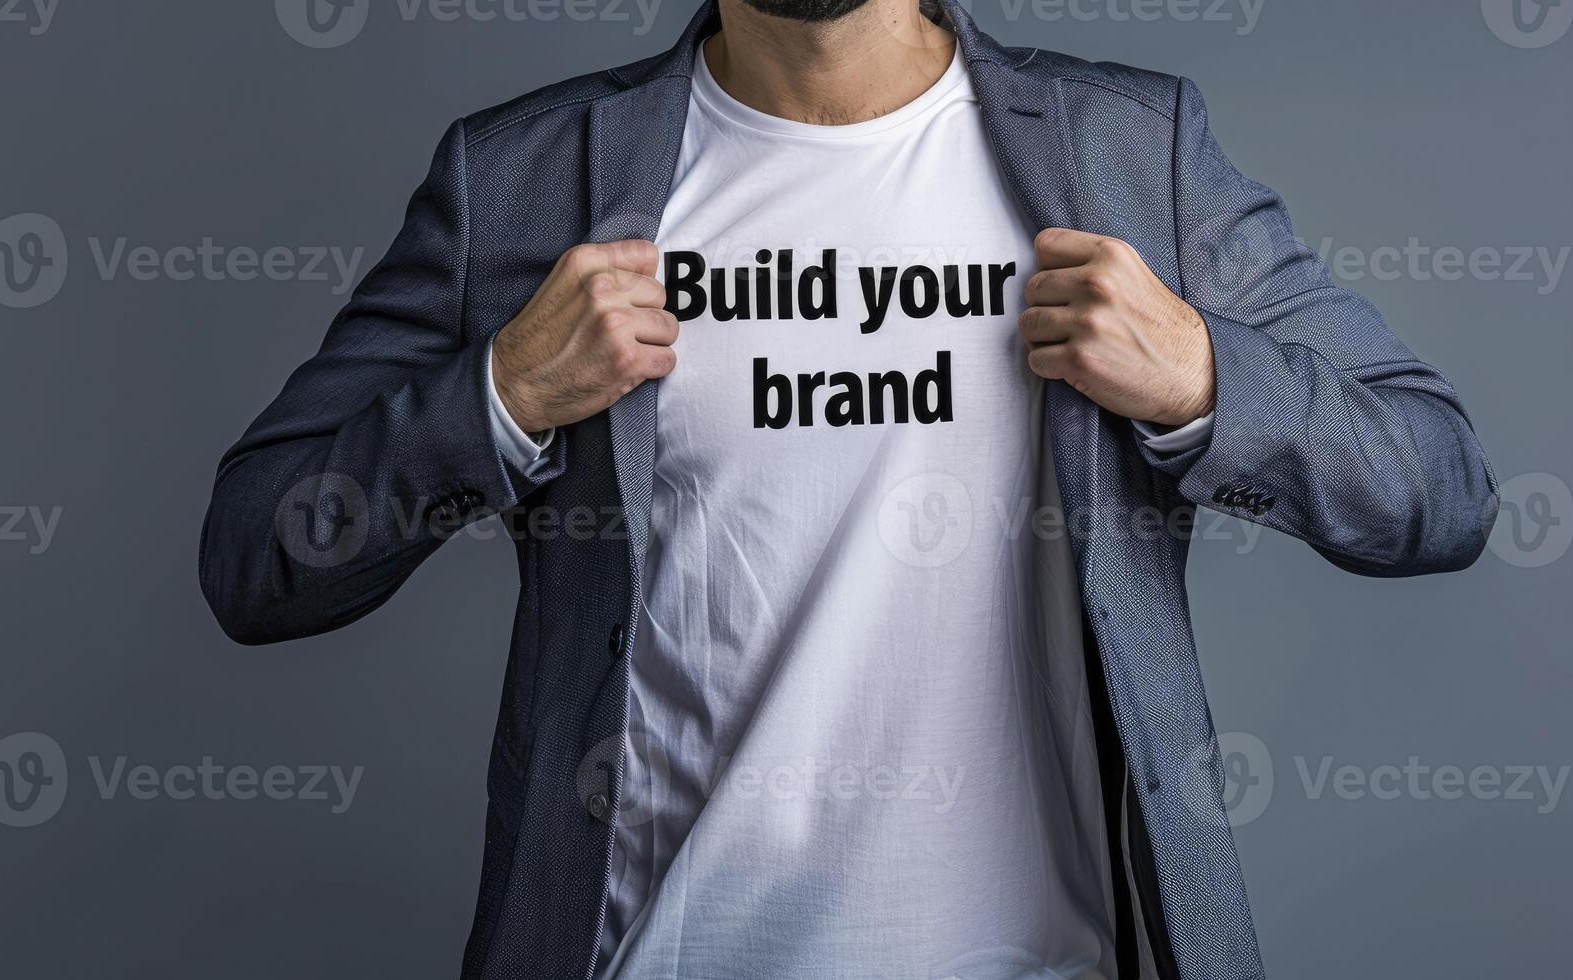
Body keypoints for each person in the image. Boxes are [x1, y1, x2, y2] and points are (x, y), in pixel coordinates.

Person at [199, 1, 1498, 977]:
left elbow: (1437, 487)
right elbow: (259, 556)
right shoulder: (525, 177)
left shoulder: (1132, 154)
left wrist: (1210, 378)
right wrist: (499, 397)